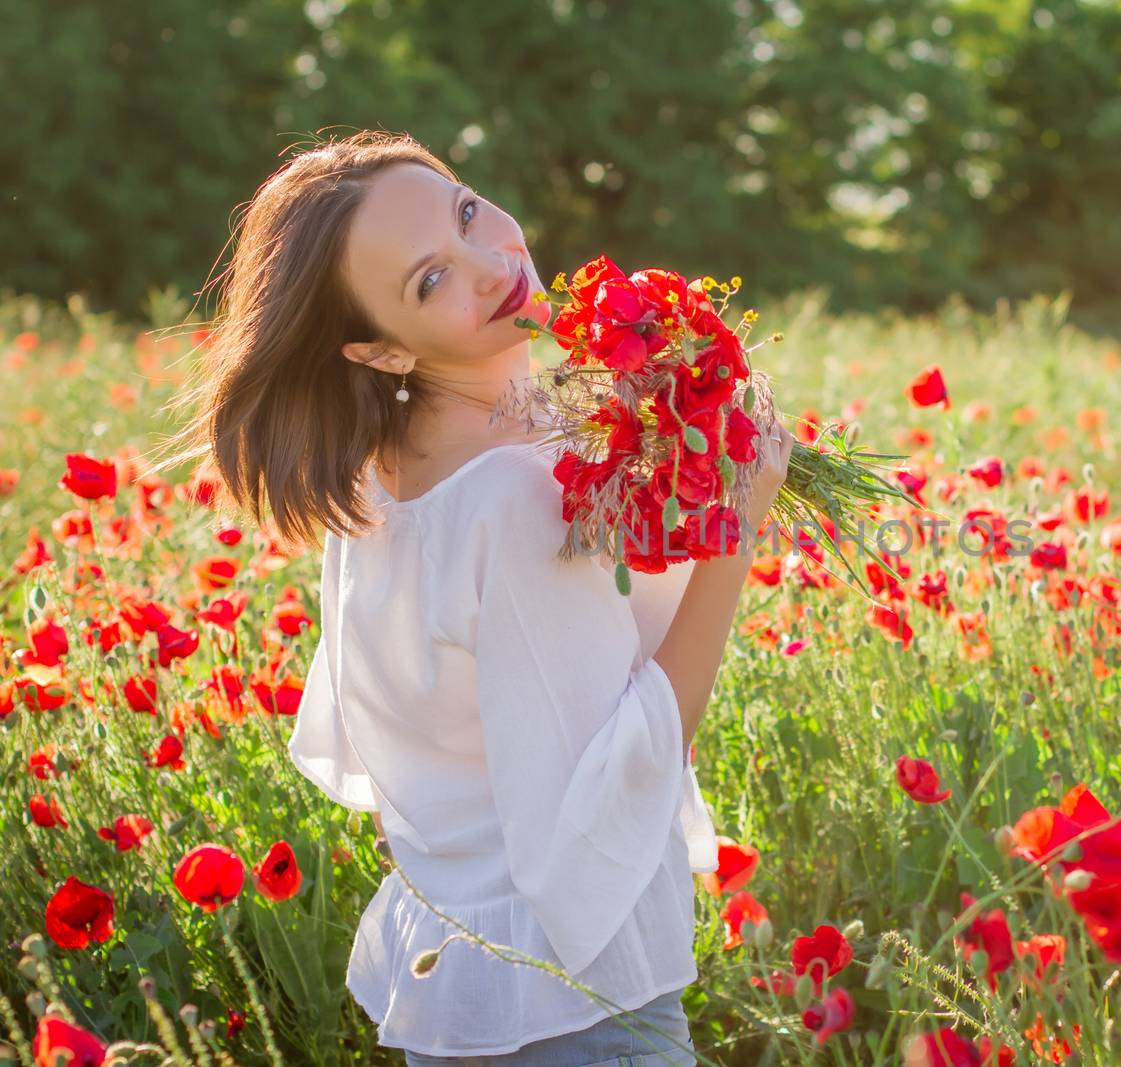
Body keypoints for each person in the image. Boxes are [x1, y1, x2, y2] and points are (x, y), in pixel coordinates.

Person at [153, 130, 795, 1065]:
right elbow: (626, 762)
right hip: (579, 1006)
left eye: (464, 211)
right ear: (375, 349)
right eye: (428, 281)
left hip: (465, 983)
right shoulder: (514, 496)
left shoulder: (375, 480)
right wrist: (738, 523)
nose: (491, 262)